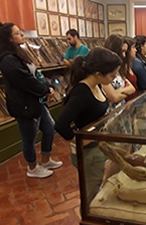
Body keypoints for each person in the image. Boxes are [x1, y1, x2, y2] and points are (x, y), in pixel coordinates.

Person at [53, 47, 123, 202]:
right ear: (98, 74)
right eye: (112, 74)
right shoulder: (82, 91)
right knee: (90, 193)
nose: (115, 77)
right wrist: (79, 140)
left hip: (98, 147)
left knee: (99, 183)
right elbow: (61, 125)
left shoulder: (97, 84)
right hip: (88, 153)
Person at [0, 22, 62, 178]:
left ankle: (45, 159)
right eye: (18, 33)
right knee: (29, 137)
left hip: (36, 101)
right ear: (9, 39)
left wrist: (47, 87)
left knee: (49, 128)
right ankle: (32, 168)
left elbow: (34, 74)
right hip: (24, 104)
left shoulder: (19, 53)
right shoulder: (7, 59)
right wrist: (45, 90)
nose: (22, 35)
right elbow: (25, 80)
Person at [103, 34, 136, 106]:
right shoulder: (102, 71)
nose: (124, 55)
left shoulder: (119, 69)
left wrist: (117, 92)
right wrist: (125, 92)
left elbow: (132, 89)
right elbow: (114, 98)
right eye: (122, 51)